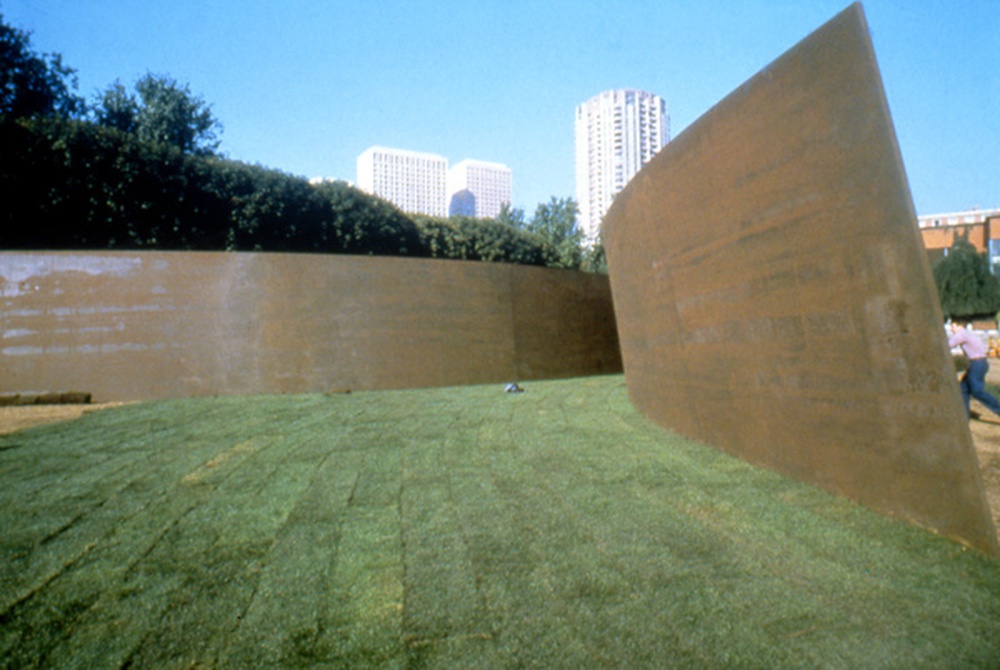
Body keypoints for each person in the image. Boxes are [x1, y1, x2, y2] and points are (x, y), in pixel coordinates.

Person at [948, 320, 1000, 419]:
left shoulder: (961, 334)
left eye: (953, 326)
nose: (951, 329)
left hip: (976, 364)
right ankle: (964, 416)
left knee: (976, 391)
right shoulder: (967, 333)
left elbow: (947, 345)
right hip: (979, 363)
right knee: (962, 389)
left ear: (959, 326)